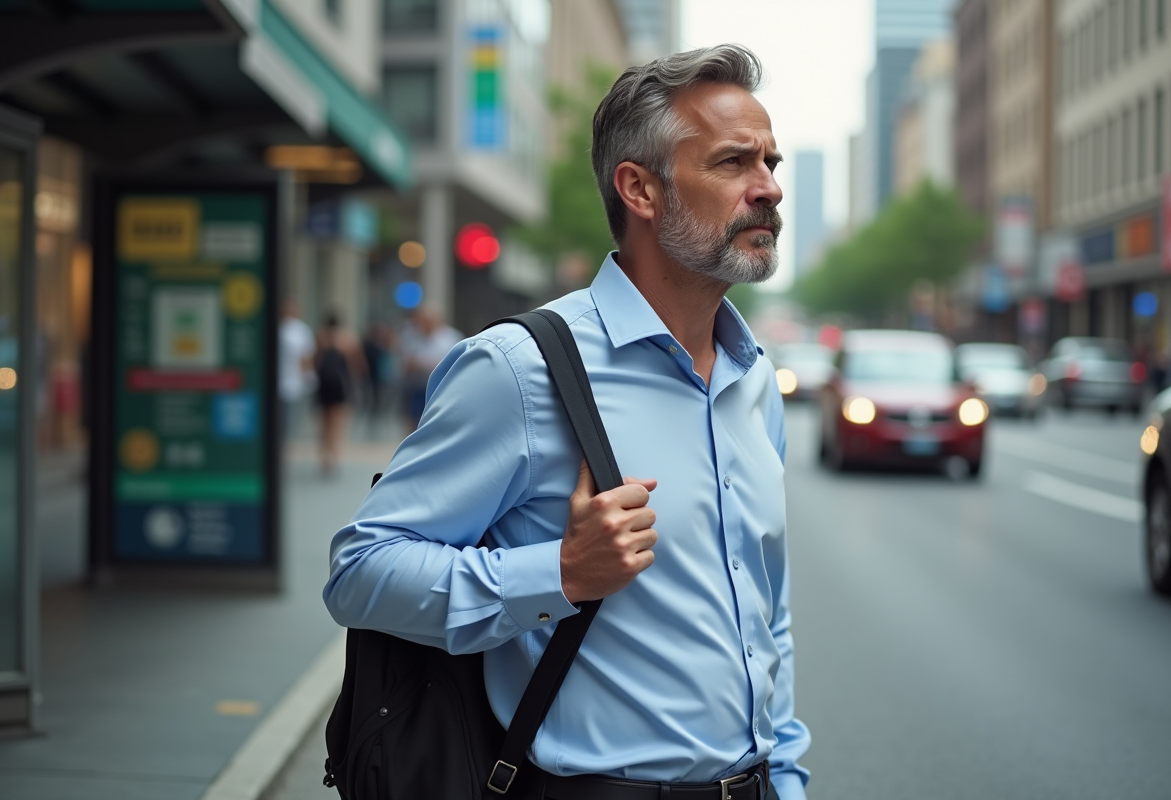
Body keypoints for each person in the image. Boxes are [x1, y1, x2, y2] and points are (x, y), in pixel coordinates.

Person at [324, 44, 809, 800]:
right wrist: (556, 575)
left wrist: (787, 779)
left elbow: (767, 619)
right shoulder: (519, 370)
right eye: (733, 163)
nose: (769, 189)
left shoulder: (753, 383)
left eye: (772, 163)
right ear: (639, 190)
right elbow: (361, 571)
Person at [313, 311, 364, 475]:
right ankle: (334, 454)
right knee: (337, 422)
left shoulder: (320, 338)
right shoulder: (348, 340)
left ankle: (325, 454)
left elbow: (314, 362)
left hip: (323, 385)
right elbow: (356, 365)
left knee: (324, 422)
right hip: (340, 386)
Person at [396, 305, 462, 431]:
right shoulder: (410, 336)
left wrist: (422, 364)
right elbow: (404, 361)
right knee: (412, 421)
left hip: (441, 387)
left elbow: (454, 363)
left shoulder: (451, 338)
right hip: (415, 386)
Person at [277, 299, 315, 439]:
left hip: (292, 381)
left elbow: (305, 356)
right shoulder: (278, 327)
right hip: (279, 380)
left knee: (288, 417)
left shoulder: (300, 330)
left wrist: (309, 376)